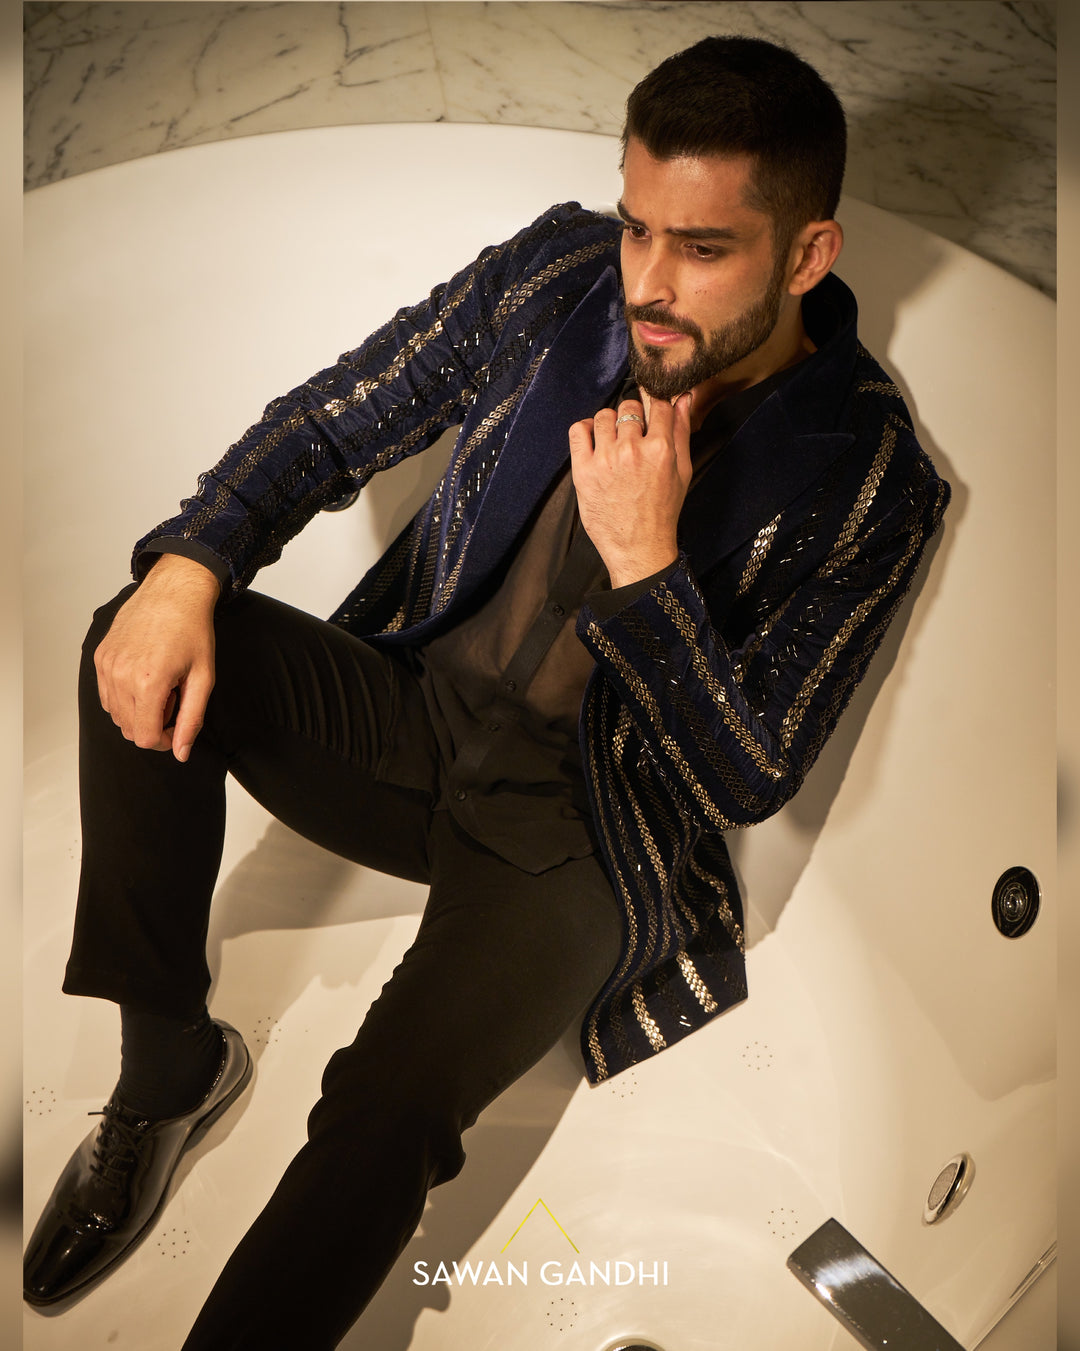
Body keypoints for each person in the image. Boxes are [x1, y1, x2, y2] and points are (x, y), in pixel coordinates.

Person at [24, 33, 949, 1349]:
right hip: (416, 721)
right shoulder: (563, 277)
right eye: (640, 226)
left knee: (382, 1114)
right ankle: (170, 1069)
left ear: (807, 256)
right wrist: (191, 563)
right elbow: (337, 419)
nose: (649, 282)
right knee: (136, 642)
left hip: (584, 837)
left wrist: (649, 567)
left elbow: (751, 775)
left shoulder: (869, 481)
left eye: (703, 248)